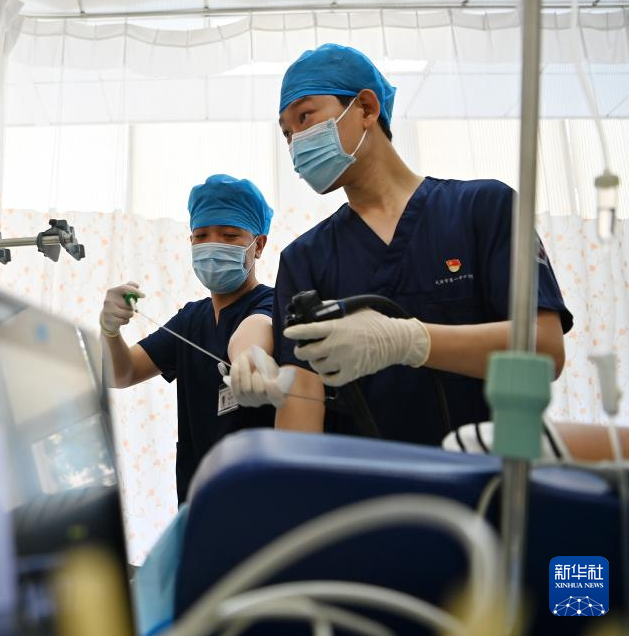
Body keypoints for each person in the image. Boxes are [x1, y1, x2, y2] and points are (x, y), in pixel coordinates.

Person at [228, 43, 573, 446]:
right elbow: (301, 418)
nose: (296, 143)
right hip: (366, 484)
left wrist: (408, 341)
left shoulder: (485, 208)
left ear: (367, 108)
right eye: (287, 133)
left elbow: (546, 352)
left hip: (485, 476)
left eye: (305, 117)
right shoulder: (305, 258)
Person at [99, 174, 276, 503]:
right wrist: (109, 331)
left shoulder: (273, 302)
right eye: (201, 235)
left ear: (259, 245)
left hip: (262, 499)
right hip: (198, 500)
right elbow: (121, 373)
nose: (213, 244)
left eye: (229, 235)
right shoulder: (190, 320)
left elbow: (256, 329)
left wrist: (247, 357)